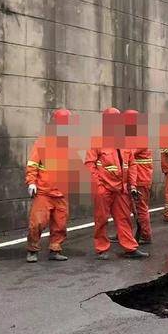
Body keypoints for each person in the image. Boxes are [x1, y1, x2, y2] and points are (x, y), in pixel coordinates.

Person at [85, 107, 149, 260]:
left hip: (121, 189)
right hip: (104, 188)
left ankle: (130, 248)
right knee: (101, 219)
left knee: (124, 218)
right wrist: (99, 186)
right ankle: (102, 248)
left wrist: (132, 185)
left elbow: (131, 164)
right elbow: (89, 164)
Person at [24, 108, 76, 263]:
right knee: (37, 223)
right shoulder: (44, 141)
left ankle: (55, 249)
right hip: (44, 192)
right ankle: (32, 250)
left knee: (60, 224)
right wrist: (31, 182)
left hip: (61, 193)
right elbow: (33, 163)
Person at [123, 109, 154, 244]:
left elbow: (127, 153)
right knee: (127, 208)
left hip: (140, 179)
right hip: (135, 178)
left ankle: (145, 235)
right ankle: (125, 234)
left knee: (140, 208)